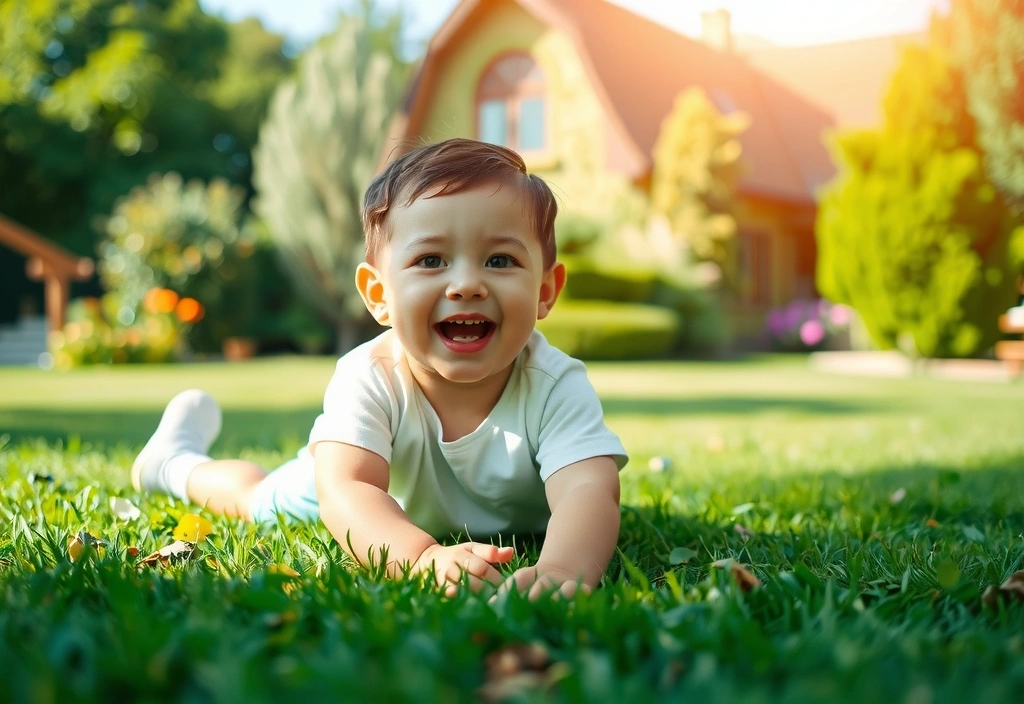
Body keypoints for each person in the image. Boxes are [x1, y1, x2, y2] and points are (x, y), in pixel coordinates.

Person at [131, 138, 629, 600]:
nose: (466, 284)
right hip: (361, 491)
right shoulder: (369, 375)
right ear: (379, 295)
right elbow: (348, 488)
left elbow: (589, 487)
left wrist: (563, 571)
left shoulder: (554, 384)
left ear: (545, 290)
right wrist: (420, 558)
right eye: (431, 259)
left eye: (500, 261)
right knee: (258, 499)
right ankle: (175, 464)